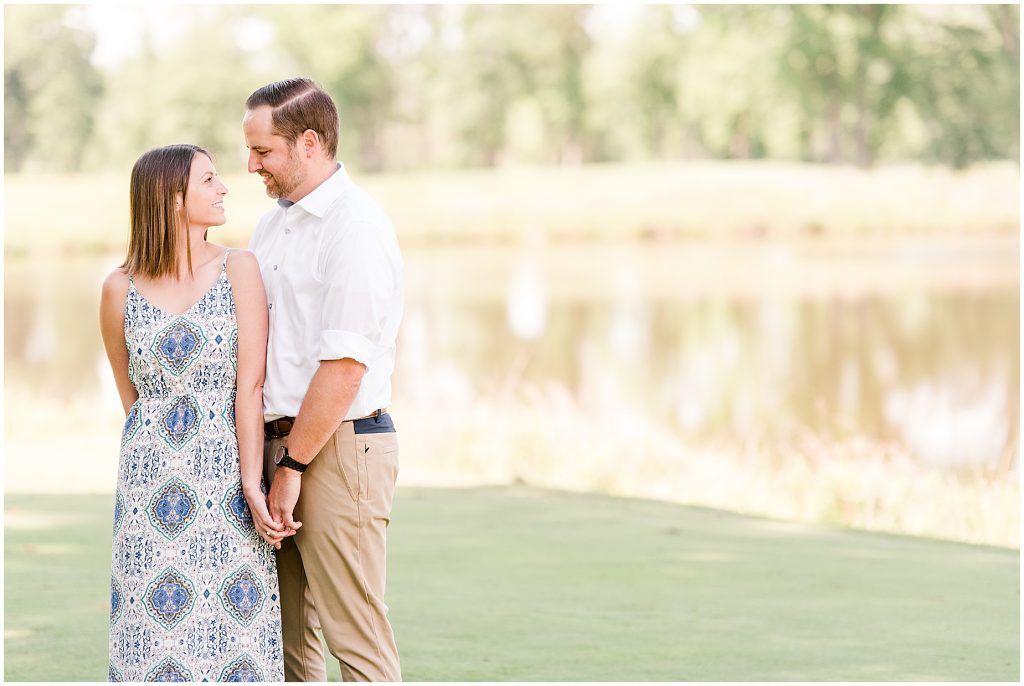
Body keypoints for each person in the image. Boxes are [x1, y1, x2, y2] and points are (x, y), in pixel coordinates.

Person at [101, 144, 286, 681]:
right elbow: (131, 396)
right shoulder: (119, 288)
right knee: (149, 631)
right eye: (209, 180)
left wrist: (251, 483)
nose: (224, 187)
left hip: (224, 476)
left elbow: (249, 386)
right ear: (173, 198)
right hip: (147, 488)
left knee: (233, 635)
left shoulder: (239, 268)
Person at [243, 77, 404, 682]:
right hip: (282, 446)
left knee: (354, 640)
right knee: (290, 645)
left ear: (309, 143)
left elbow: (343, 367)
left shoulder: (354, 226)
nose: (250, 165)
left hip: (338, 447)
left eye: (264, 152)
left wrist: (293, 467)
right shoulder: (272, 227)